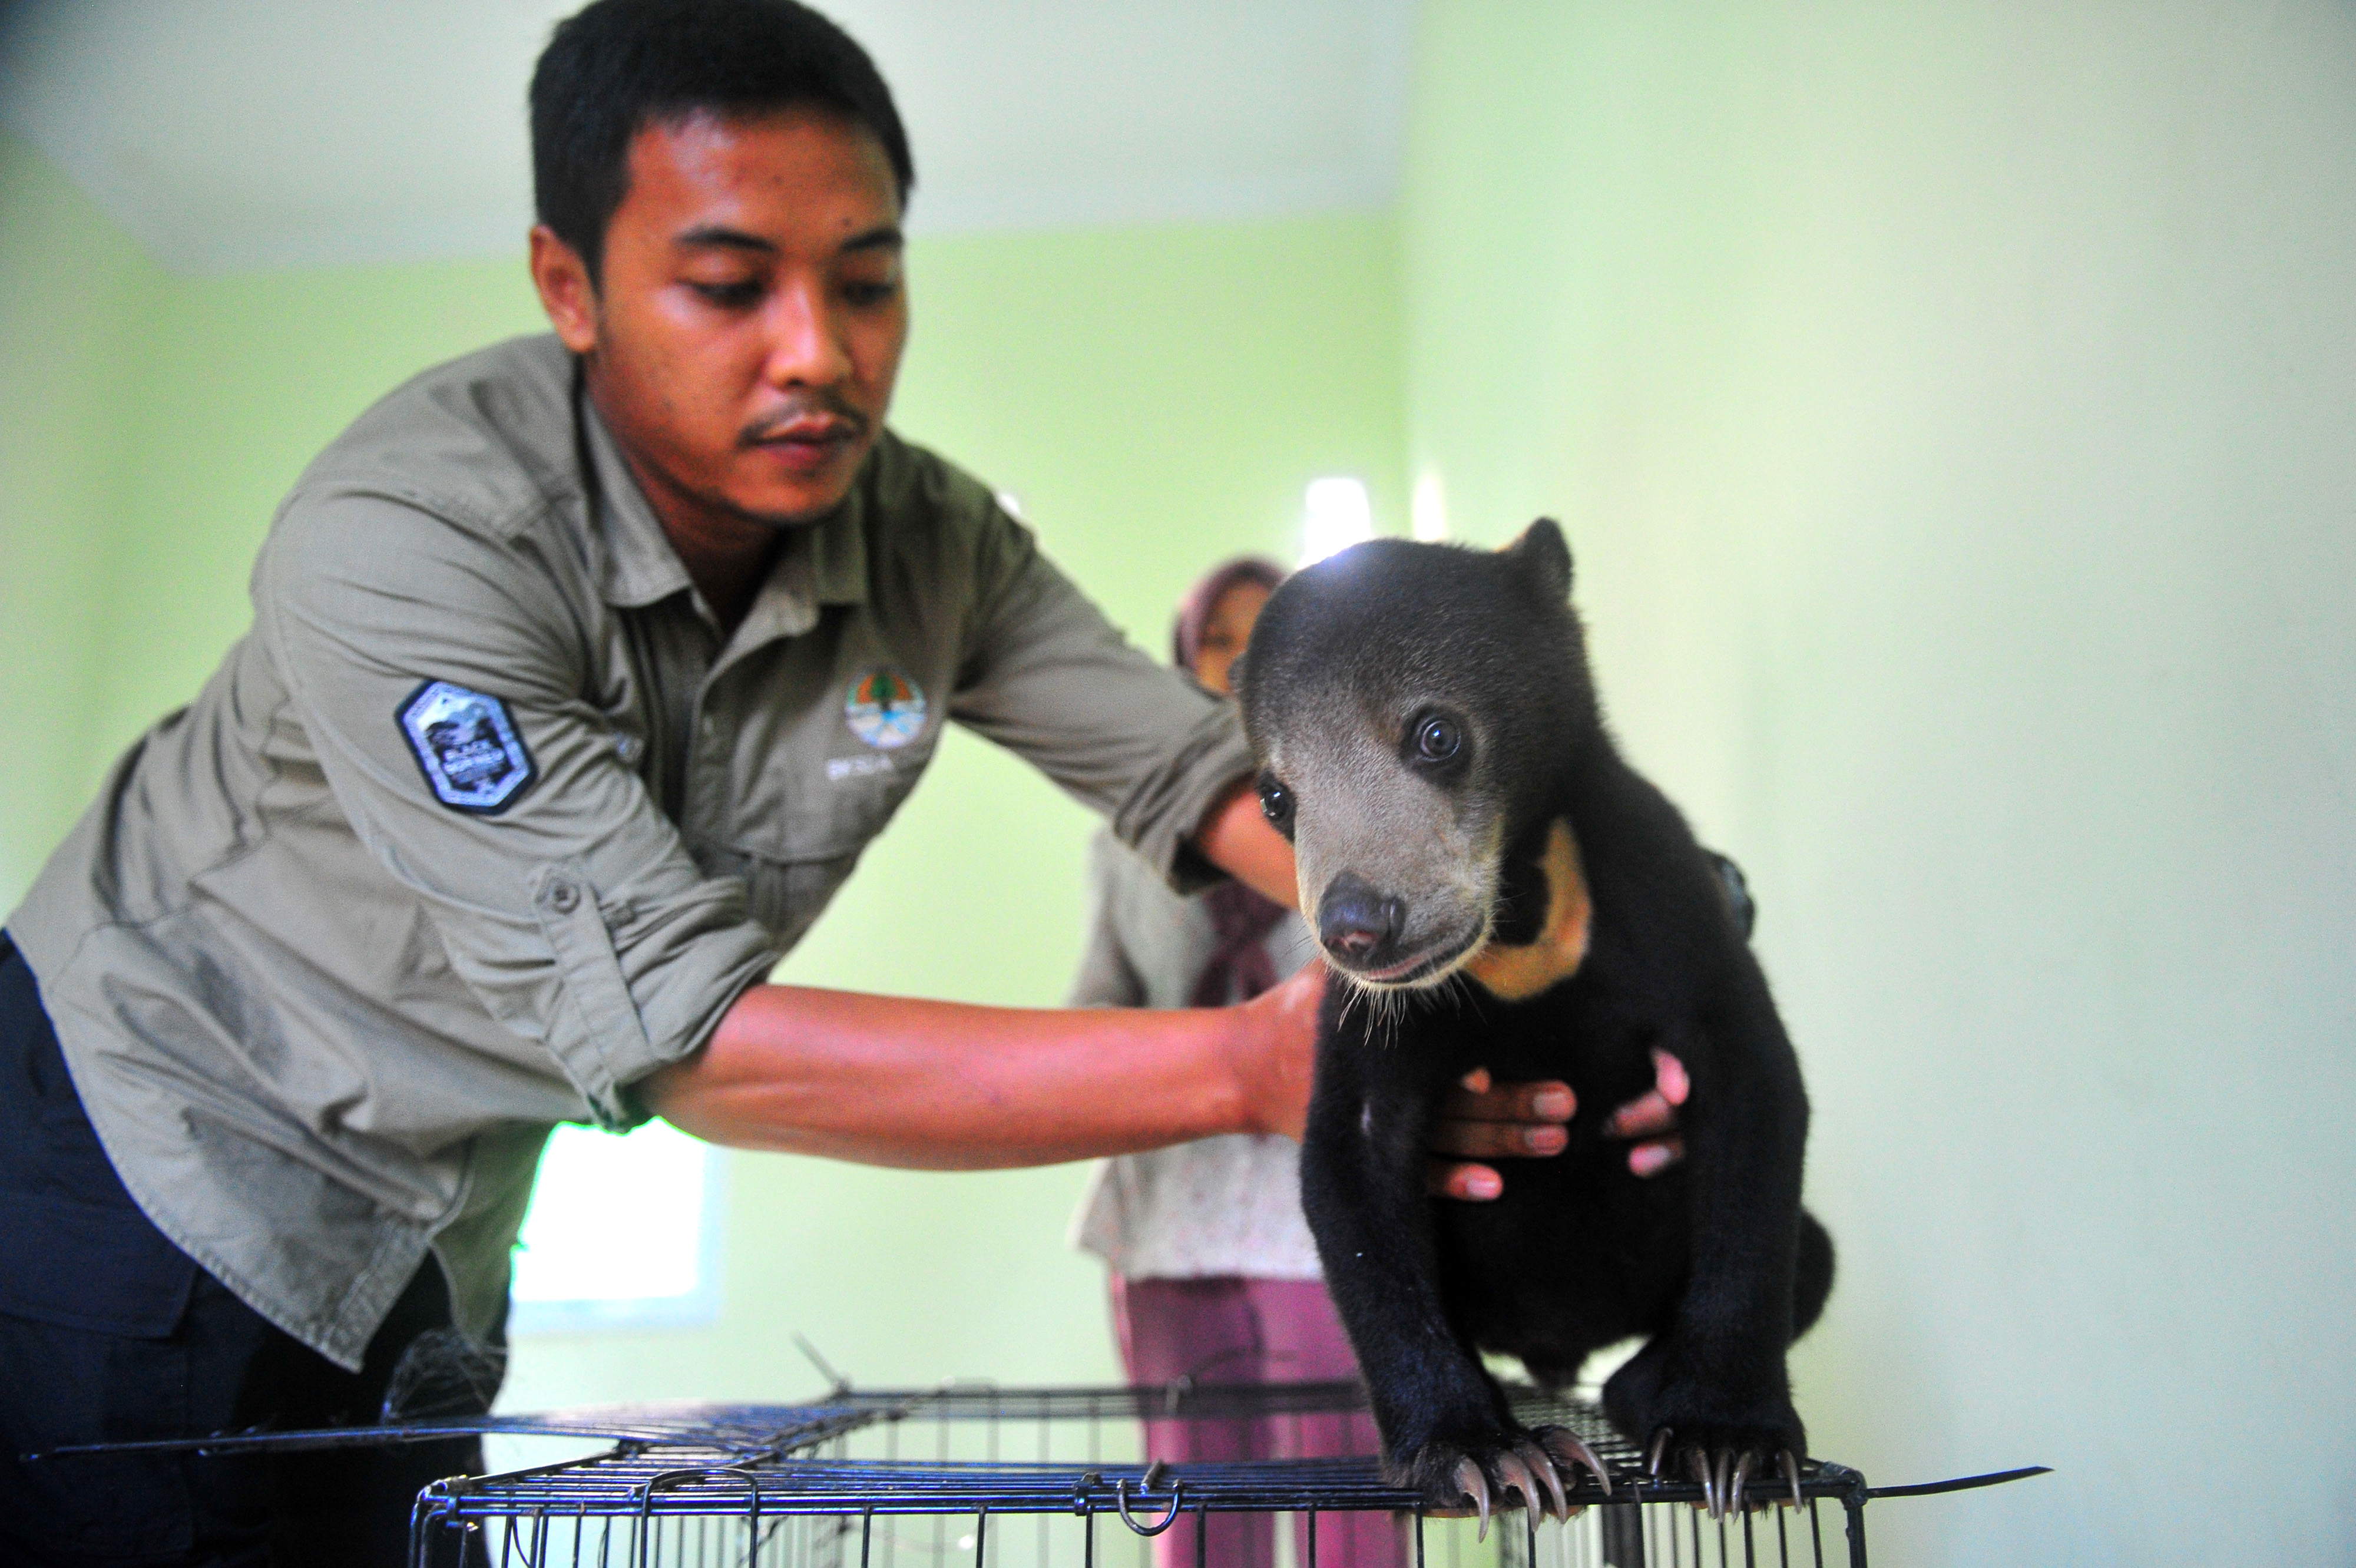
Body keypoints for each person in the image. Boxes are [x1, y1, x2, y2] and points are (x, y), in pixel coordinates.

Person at [0, 4, 1678, 1562]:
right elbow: (683, 1037)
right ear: (570, 285)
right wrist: (1252, 1066)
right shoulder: (411, 542)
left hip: (439, 1226)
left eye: (866, 282)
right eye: (730, 285)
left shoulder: (931, 540)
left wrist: (1529, 940)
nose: (818, 352)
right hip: (141, 1152)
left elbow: (1188, 766)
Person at [1068, 556, 1399, 1568]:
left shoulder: (1375, 815)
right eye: (1219, 640)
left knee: (1353, 1501)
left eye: (1268, 636)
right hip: (1169, 1208)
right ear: (1184, 658)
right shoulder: (1124, 841)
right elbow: (1096, 1004)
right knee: (1198, 1507)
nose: (1241, 660)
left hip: (1325, 1206)